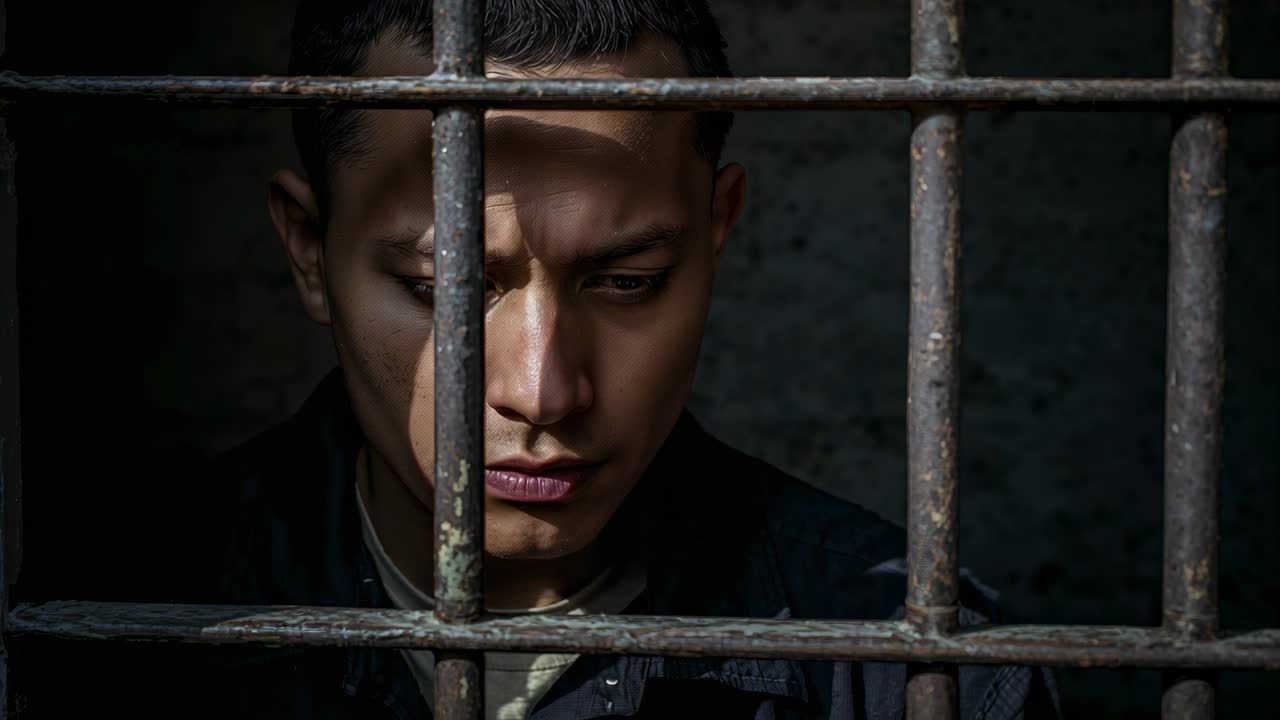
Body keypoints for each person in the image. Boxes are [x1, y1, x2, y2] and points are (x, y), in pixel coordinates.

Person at [138, 1, 1061, 718]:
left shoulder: (910, 668)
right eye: (443, 287)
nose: (541, 391)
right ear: (309, 250)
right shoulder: (120, 616)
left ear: (717, 231)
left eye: (628, 281)